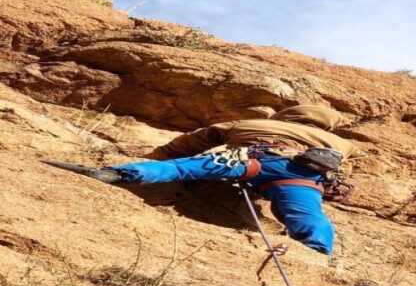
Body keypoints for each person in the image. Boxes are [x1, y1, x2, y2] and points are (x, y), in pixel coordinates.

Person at [45, 105, 358, 255]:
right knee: (306, 213)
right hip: (300, 174)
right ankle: (316, 249)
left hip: (248, 158)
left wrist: (163, 154)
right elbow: (345, 171)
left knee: (181, 168)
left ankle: (122, 173)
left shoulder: (251, 122)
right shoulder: (342, 145)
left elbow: (199, 139)